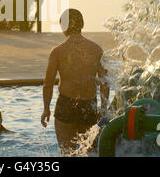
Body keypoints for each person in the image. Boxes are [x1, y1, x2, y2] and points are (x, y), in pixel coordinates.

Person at [41, 8, 110, 155]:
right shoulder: (96, 49)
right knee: (89, 152)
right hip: (88, 105)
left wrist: (46, 108)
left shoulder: (58, 52)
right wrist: (103, 109)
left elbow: (48, 84)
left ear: (63, 27)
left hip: (66, 104)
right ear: (82, 24)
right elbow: (105, 81)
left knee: (67, 153)